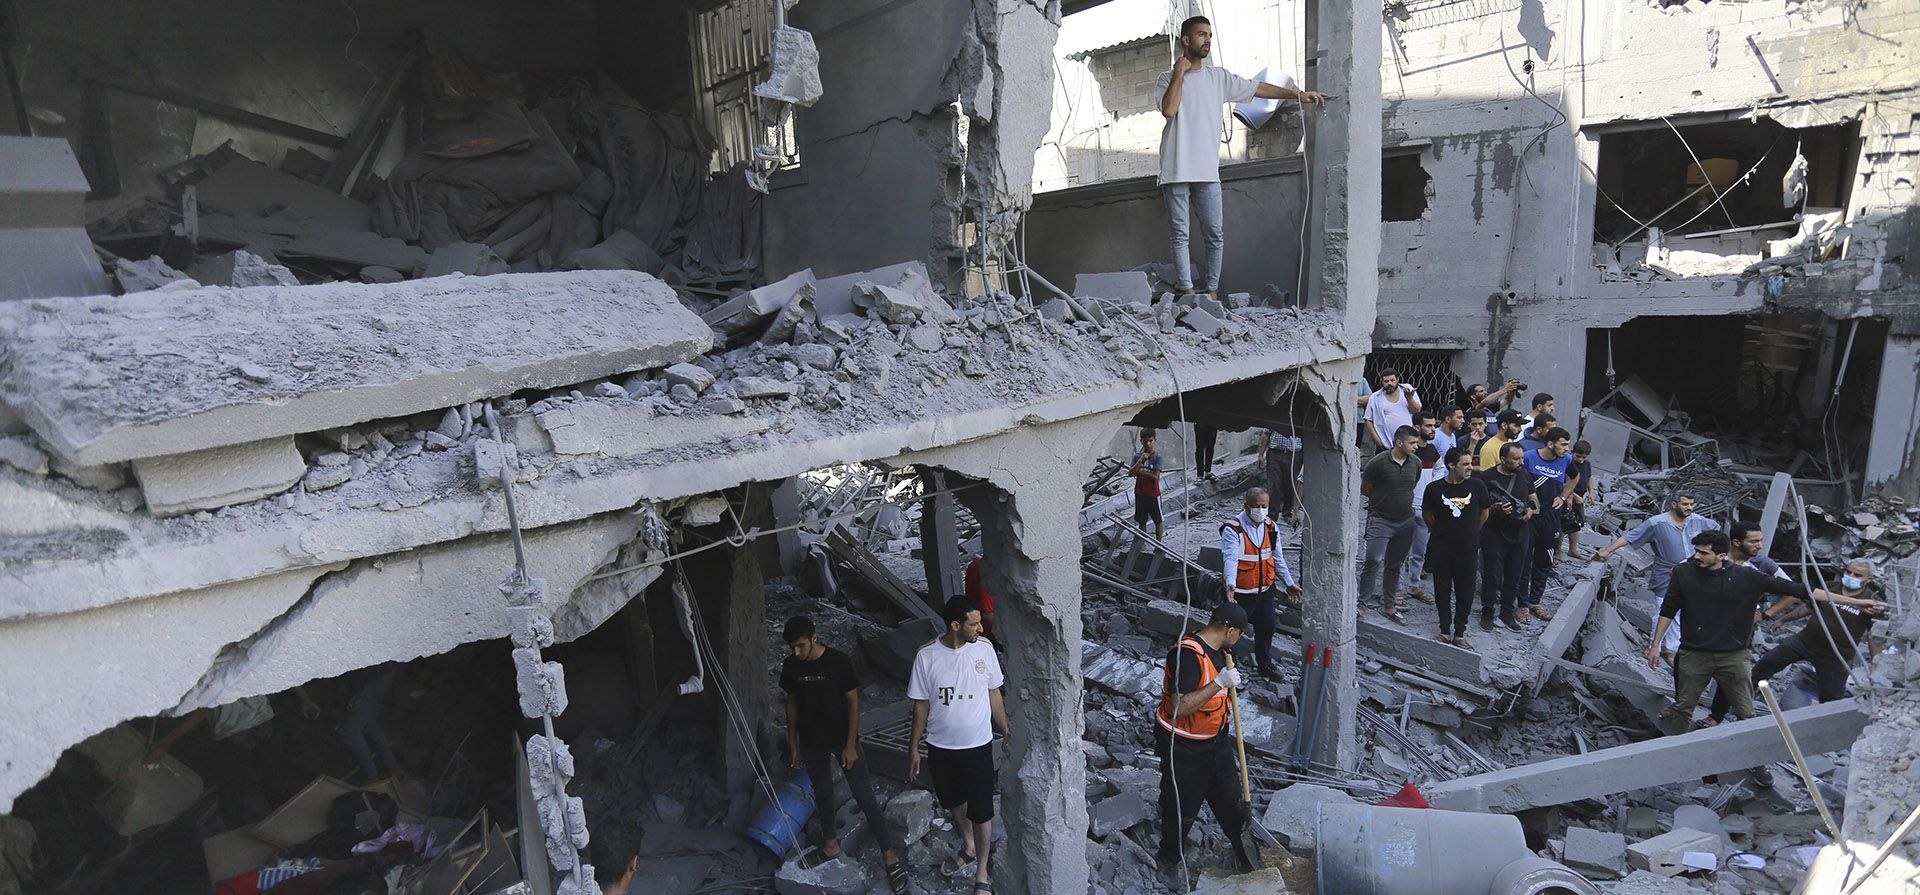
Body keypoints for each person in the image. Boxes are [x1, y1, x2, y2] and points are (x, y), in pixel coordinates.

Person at [1157, 16, 1329, 298]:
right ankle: (1187, 292)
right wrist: (1179, 73)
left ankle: (1211, 291)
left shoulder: (1218, 77)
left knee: (1215, 234)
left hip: (1207, 172)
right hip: (1175, 169)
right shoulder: (1167, 79)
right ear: (1186, 40)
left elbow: (1257, 87)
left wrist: (1297, 94)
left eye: (1209, 35)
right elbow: (1169, 110)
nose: (1207, 40)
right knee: (1180, 236)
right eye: (1201, 34)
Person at [1648, 531, 1853, 736]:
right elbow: (1668, 609)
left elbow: (1800, 591)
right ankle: (1677, 752)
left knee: (1746, 713)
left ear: (1721, 556)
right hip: (1694, 653)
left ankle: (1750, 757)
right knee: (1683, 708)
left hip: (1734, 656)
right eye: (1696, 551)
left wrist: (1856, 602)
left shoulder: (1747, 576)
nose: (1697, 556)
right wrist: (1656, 645)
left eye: (1703, 553)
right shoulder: (1684, 573)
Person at [780, 617, 908, 892]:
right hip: (812, 743)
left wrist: (850, 745)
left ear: (814, 638)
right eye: (792, 647)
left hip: (841, 740)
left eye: (800, 646)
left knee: (864, 795)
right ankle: (830, 845)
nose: (796, 653)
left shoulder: (837, 662)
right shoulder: (792, 666)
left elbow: (853, 702)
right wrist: (793, 743)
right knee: (823, 793)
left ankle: (889, 854)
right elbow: (791, 703)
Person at [908, 598, 1007, 893]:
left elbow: (995, 694)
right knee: (953, 800)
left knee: (982, 810)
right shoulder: (927, 657)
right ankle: (968, 846)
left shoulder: (985, 650)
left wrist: (1006, 730)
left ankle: (981, 877)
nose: (981, 627)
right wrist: (914, 748)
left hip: (978, 746)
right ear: (955, 626)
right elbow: (921, 706)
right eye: (974, 623)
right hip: (940, 747)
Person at [1154, 602, 1260, 878]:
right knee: (1181, 807)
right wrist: (1219, 684)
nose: (1238, 641)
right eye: (1239, 635)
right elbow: (1180, 707)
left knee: (1232, 801)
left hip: (1216, 742)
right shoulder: (1187, 655)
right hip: (1184, 746)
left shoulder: (1221, 652)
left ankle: (1247, 858)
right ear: (1230, 630)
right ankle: (1168, 860)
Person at [1594, 493, 1721, 660]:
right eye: (1685, 504)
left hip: (1693, 574)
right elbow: (1630, 537)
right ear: (1674, 504)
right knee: (1665, 609)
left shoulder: (1699, 521)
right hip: (1666, 574)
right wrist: (1607, 550)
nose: (1689, 507)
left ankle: (1671, 648)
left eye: (1691, 504)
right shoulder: (1657, 523)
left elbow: (1718, 533)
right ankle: (1655, 646)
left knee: (1683, 610)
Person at [1751, 557, 1887, 703]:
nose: (1850, 577)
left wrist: (1875, 664)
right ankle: (1749, 693)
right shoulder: (1829, 587)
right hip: (1805, 642)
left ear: (1869, 579)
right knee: (1768, 662)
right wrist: (1783, 619)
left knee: (1832, 695)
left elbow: (1875, 636)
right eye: (1848, 572)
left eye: (1857, 575)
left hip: (1837, 654)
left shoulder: (1872, 603)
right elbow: (1808, 608)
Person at [1219, 488, 1301, 676]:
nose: (1261, 510)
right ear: (1246, 507)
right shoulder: (1233, 528)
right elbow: (1230, 557)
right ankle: (1228, 668)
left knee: (1267, 628)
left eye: (1264, 506)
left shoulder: (1271, 527)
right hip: (1241, 592)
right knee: (1232, 633)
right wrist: (1230, 585)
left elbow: (1277, 558)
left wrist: (1289, 583)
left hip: (1264, 591)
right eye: (1256, 506)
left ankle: (1265, 664)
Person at [1423, 446, 1489, 647]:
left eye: (1471, 463)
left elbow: (1484, 513)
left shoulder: (1477, 486)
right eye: (1465, 464)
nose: (1470, 467)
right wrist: (1441, 533)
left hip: (1468, 549)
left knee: (1465, 591)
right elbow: (1427, 515)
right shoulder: (1434, 489)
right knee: (1441, 589)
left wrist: (1470, 533)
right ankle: (1444, 630)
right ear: (1452, 466)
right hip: (1442, 547)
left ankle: (1459, 632)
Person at [1360, 426, 1423, 624]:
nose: (1416, 446)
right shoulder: (1378, 463)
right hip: (1380, 519)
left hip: (1405, 521)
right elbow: (1366, 489)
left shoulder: (1416, 463)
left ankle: (1389, 606)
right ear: (1399, 442)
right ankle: (1361, 604)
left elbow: (1411, 485)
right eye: (1412, 443)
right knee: (1373, 560)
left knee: (1395, 565)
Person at [1516, 428, 1578, 623]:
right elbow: (1518, 479)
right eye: (1563, 444)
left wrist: (1563, 496)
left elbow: (1574, 477)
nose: (1567, 449)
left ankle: (1535, 601)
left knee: (1544, 559)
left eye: (1568, 445)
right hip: (1530, 515)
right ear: (1550, 444)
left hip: (1551, 517)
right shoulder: (1528, 458)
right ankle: (1522, 604)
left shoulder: (1566, 460)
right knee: (1524, 559)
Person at [1476, 442, 1538, 632]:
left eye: (1522, 458)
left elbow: (1534, 497)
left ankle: (1507, 613)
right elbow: (1479, 506)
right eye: (1516, 459)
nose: (1521, 462)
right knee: (1492, 576)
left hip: (1520, 533)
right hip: (1495, 533)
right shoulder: (1487, 478)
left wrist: (1530, 510)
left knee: (1514, 576)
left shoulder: (1525, 475)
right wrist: (1495, 509)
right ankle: (1487, 613)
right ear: (1503, 460)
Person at [1401, 411, 1443, 605]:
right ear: (1417, 428)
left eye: (1434, 426)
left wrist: (1434, 488)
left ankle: (1414, 585)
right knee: (1399, 551)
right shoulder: (1409, 451)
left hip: (1425, 507)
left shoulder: (1433, 451)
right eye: (1429, 426)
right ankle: (1397, 589)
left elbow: (1440, 469)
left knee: (1420, 551)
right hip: (1406, 505)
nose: (1433, 429)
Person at [1363, 370, 1422, 452]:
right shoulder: (1375, 397)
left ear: (1397, 380)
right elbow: (1368, 420)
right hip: (1386, 443)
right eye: (1386, 381)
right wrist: (1377, 440)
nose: (1389, 383)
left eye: (1392, 380)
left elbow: (1417, 410)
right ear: (1382, 382)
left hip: (1407, 442)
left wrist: (1409, 398)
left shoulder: (1407, 390)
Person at [1257, 424, 1305, 522]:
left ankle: (1287, 512)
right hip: (1275, 454)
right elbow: (1266, 434)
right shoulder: (1275, 417)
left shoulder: (1299, 418)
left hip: (1294, 455)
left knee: (1291, 484)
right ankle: (1272, 515)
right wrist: (1261, 455)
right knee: (1274, 486)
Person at [1558, 441, 1594, 561]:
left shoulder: (1587, 464)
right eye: (1578, 456)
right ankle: (1557, 550)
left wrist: (1591, 492)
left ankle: (1572, 550)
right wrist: (1571, 495)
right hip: (1567, 497)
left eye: (1584, 457)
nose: (1581, 459)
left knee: (1575, 523)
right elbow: (1564, 482)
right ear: (1573, 452)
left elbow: (1589, 478)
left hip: (1579, 498)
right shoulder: (1568, 462)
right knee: (1564, 524)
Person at [1129, 430, 1166, 541]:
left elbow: (1155, 476)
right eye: (1145, 441)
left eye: (1150, 441)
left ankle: (1159, 543)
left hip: (1153, 494)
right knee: (1142, 521)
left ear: (1155, 440)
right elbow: (1131, 472)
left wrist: (1138, 472)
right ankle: (1142, 544)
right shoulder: (1137, 457)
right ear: (1141, 441)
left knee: (1158, 520)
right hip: (1140, 493)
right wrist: (1141, 460)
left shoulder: (1157, 457)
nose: (1148, 444)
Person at [964, 557, 997, 638]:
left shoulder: (976, 564)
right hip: (986, 632)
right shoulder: (989, 573)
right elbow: (988, 614)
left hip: (972, 627)